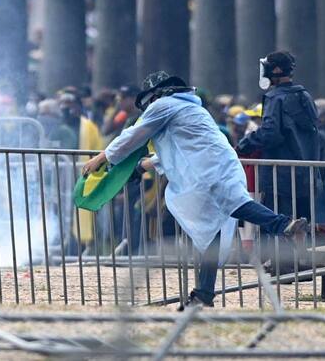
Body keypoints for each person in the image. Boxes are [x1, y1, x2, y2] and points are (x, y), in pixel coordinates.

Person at [82, 71, 308, 308]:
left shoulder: (164, 105)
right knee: (211, 232)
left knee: (234, 206)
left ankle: (283, 225)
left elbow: (133, 135)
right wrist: (143, 167)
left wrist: (102, 157)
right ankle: (204, 293)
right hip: (219, 166)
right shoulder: (191, 108)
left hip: (207, 171)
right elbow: (177, 149)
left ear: (155, 94)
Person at [236, 51, 322, 221]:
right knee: (303, 227)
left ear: (275, 70)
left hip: (280, 179)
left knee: (280, 227)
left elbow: (270, 133)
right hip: (307, 176)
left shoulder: (275, 98)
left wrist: (243, 145)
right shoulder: (305, 96)